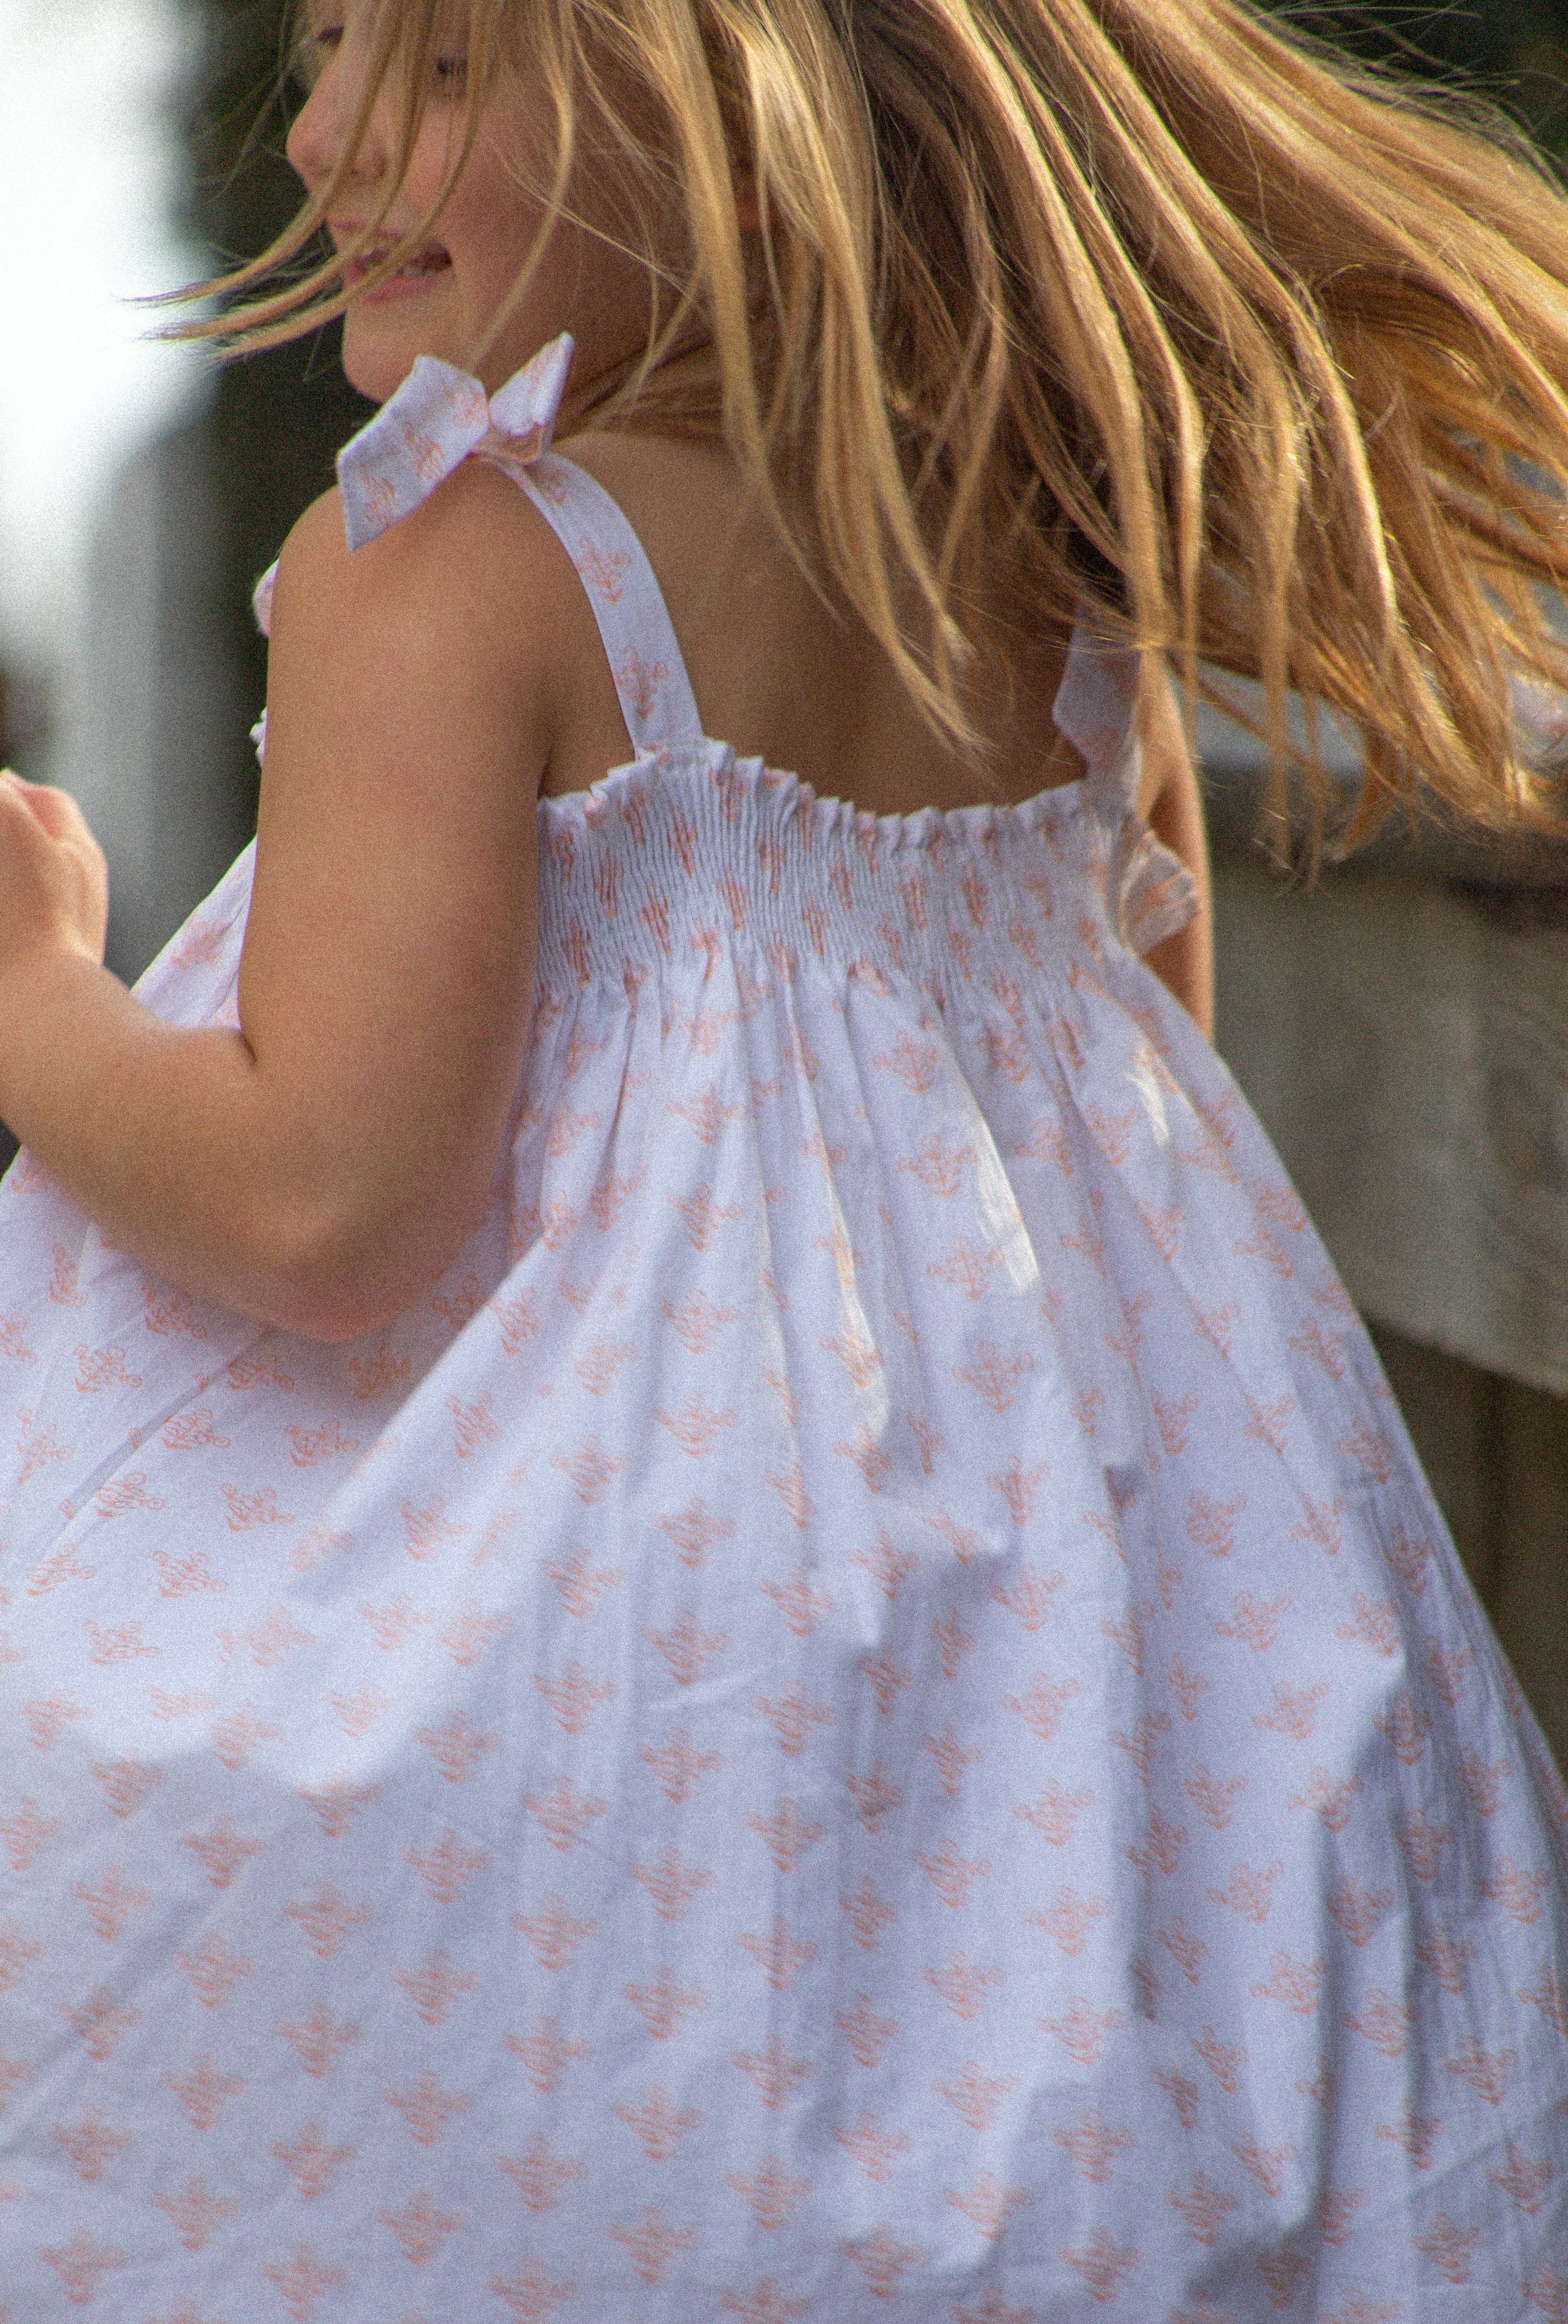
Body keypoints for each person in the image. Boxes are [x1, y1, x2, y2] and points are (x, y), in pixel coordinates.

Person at [2, 0, 1566, 2311]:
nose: (322, 134)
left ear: (722, 121)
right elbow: (1165, 1097)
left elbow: (321, 1202)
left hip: (624, 1717)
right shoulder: (1036, 594)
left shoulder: (443, 569)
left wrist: (35, 987)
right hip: (1070, 1738)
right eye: (324, 49)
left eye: (438, 69)